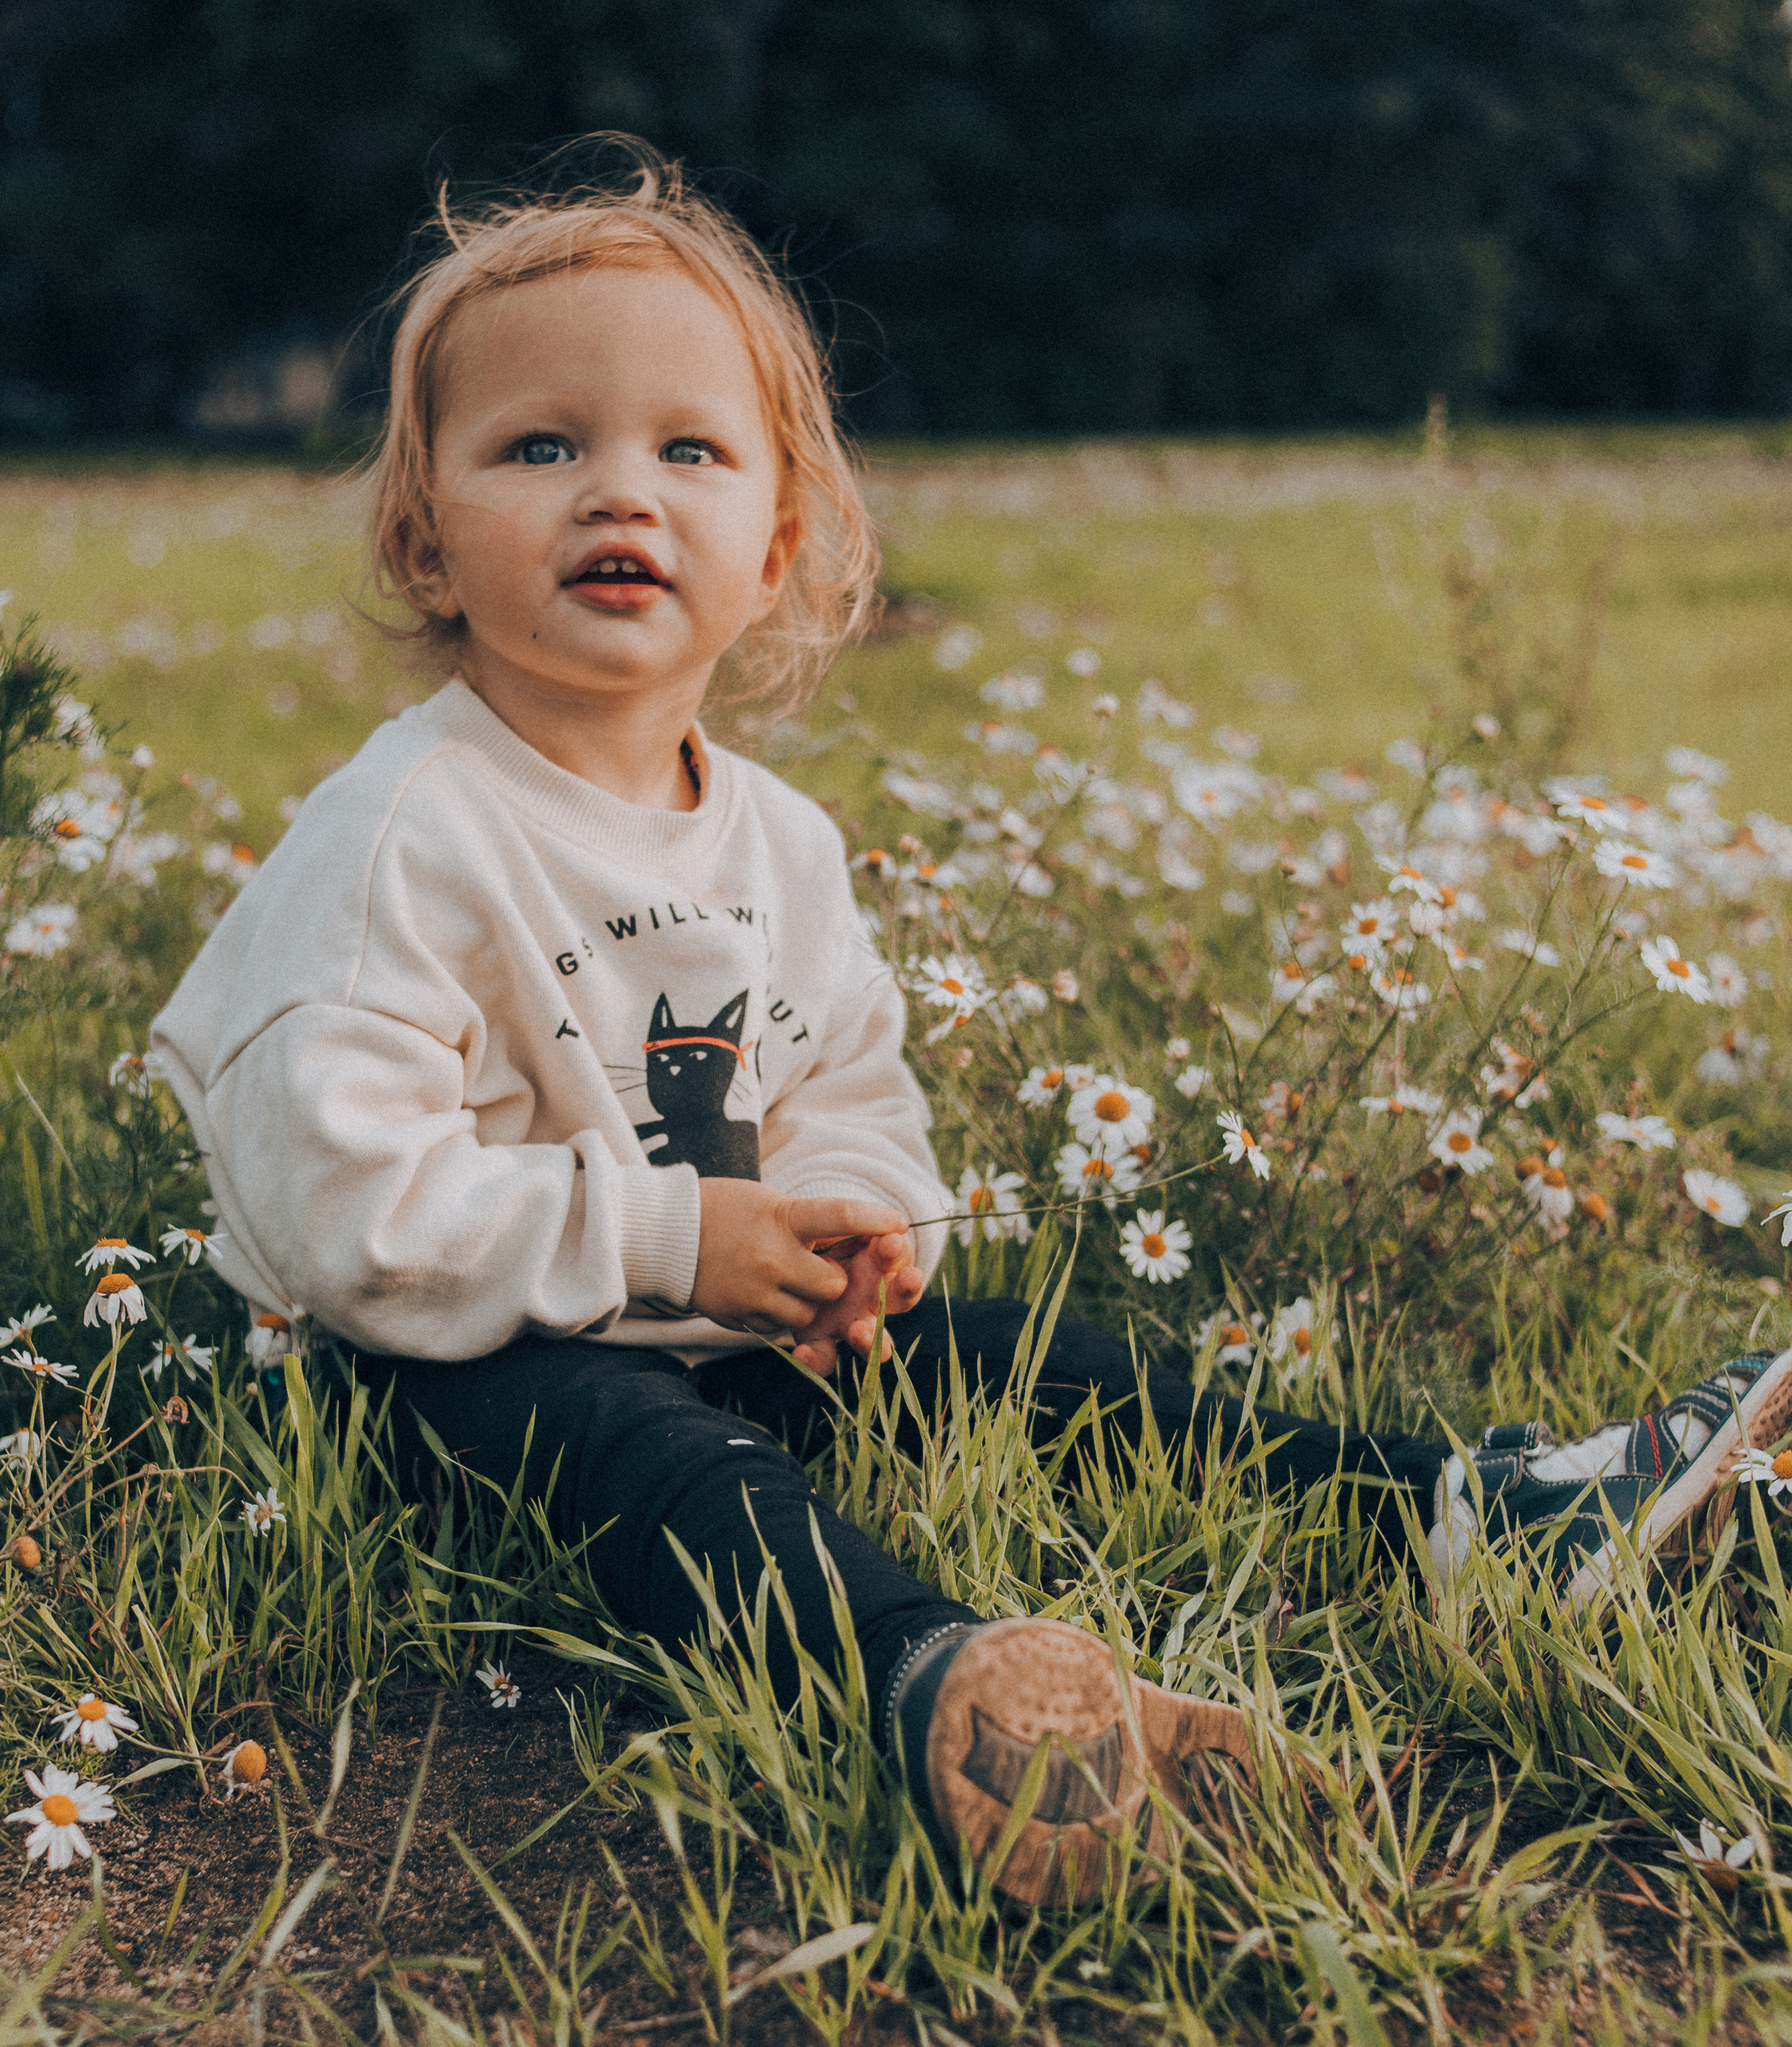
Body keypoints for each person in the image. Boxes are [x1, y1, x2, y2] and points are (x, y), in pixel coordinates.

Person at [152, 146, 1792, 1904]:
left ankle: (1469, 1513)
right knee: (664, 1466)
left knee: (1035, 1363)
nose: (618, 490)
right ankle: (948, 1695)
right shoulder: (405, 834)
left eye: (689, 450)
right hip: (443, 1372)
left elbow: (847, 1086)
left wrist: (860, 1227)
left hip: (720, 1324)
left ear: (777, 542)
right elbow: (345, 1205)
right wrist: (669, 1236)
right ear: (424, 533)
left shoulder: (781, 844)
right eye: (540, 446)